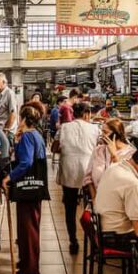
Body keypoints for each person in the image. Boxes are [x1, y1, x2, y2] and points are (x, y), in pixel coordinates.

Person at [3, 103, 48, 274]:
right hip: (35, 187)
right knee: (29, 227)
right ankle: (27, 262)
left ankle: (30, 269)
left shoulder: (28, 137)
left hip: (27, 188)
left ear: (23, 119)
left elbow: (26, 162)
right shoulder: (36, 134)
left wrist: (10, 177)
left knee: (28, 229)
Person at [56, 102, 99, 254]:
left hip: (69, 170)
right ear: (87, 114)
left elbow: (55, 147)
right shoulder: (95, 128)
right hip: (88, 171)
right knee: (94, 206)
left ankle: (73, 240)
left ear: (73, 114)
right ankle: (96, 239)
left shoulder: (64, 127)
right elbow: (98, 147)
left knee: (70, 207)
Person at [83, 119, 136, 198]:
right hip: (98, 200)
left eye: (105, 132)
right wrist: (94, 198)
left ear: (116, 134)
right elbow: (88, 177)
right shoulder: (98, 150)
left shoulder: (131, 154)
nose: (102, 135)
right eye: (102, 132)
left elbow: (126, 179)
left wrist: (114, 156)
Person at [0, 72, 18, 138]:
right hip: (0, 130)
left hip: (7, 133)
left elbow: (13, 113)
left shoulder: (9, 94)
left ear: (4, 82)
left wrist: (6, 129)